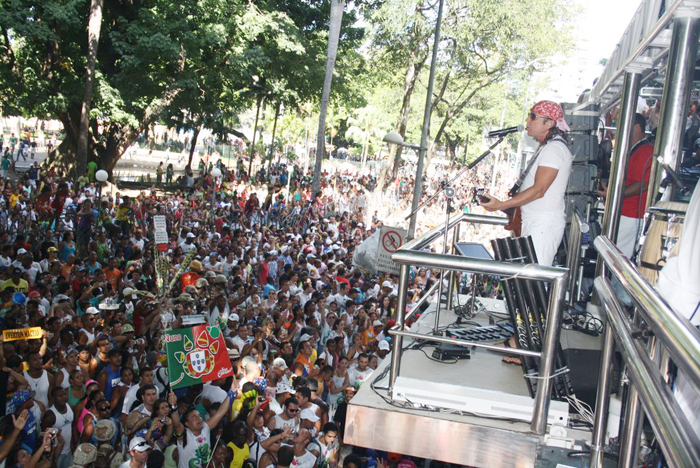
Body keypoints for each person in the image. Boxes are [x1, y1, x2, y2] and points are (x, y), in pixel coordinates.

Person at [481, 100, 573, 266]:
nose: (527, 121)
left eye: (533, 116)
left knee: (534, 281)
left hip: (543, 225)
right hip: (535, 222)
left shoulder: (554, 149)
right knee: (527, 281)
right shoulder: (549, 147)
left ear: (550, 123)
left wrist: (503, 204)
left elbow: (539, 190)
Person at [596, 113, 653, 259]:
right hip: (623, 211)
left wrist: (612, 193)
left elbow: (643, 184)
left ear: (636, 127)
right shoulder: (634, 150)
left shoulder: (645, 151)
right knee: (611, 254)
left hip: (631, 214)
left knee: (617, 259)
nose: (618, 130)